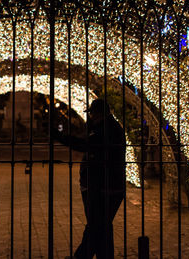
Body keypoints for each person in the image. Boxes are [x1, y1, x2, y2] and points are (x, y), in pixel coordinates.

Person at [53, 98, 126, 259]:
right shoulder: (108, 127)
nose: (90, 117)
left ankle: (81, 257)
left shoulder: (106, 129)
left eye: (92, 113)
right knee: (102, 226)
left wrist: (60, 137)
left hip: (102, 187)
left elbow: (85, 144)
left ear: (98, 113)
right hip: (104, 185)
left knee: (96, 226)